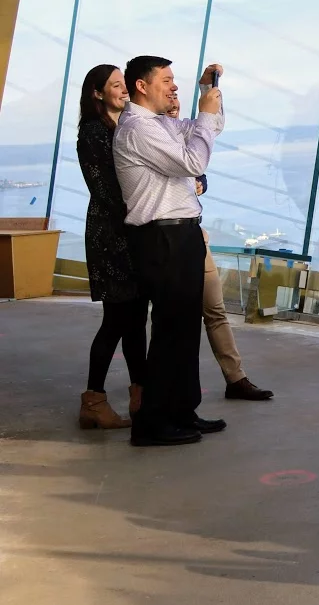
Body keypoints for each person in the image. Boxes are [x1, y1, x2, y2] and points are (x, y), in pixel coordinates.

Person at [112, 56, 226, 447]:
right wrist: (206, 114)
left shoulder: (160, 124)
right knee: (167, 332)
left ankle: (181, 410)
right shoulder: (137, 129)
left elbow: (207, 128)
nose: (173, 87)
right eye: (167, 80)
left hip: (182, 235)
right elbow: (194, 160)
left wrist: (204, 95)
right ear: (141, 86)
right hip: (161, 239)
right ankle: (152, 424)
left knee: (183, 329)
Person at [163, 101, 273, 401]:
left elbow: (202, 154)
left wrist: (210, 92)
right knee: (171, 317)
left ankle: (236, 378)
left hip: (195, 233)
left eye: (176, 101)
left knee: (215, 309)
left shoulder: (184, 132)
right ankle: (158, 387)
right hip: (165, 239)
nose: (174, 103)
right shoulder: (150, 136)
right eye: (167, 96)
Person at [75, 64, 146, 429]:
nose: (123, 90)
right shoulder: (93, 133)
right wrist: (144, 215)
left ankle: (139, 396)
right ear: (97, 93)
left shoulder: (122, 128)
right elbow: (105, 192)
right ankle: (93, 400)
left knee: (134, 321)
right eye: (115, 85)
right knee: (117, 319)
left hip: (128, 233)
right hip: (112, 236)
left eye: (124, 84)